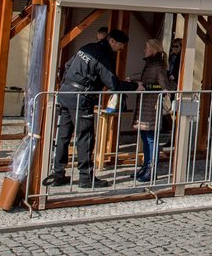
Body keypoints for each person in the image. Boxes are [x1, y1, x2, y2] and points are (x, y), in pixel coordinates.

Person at [46, 29, 139, 188]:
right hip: (81, 98)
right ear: (112, 41)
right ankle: (86, 178)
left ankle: (58, 174)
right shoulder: (103, 55)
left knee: (63, 135)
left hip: (66, 93)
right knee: (85, 138)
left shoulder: (88, 47)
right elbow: (113, 84)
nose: (120, 50)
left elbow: (68, 65)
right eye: (120, 46)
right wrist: (135, 86)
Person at [132, 38, 174, 182]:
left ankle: (151, 169)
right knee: (145, 137)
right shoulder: (151, 65)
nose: (145, 50)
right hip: (145, 106)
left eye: (147, 48)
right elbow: (145, 78)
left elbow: (163, 82)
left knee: (151, 139)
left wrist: (165, 90)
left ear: (153, 50)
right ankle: (145, 166)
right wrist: (131, 79)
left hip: (151, 106)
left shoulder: (158, 66)